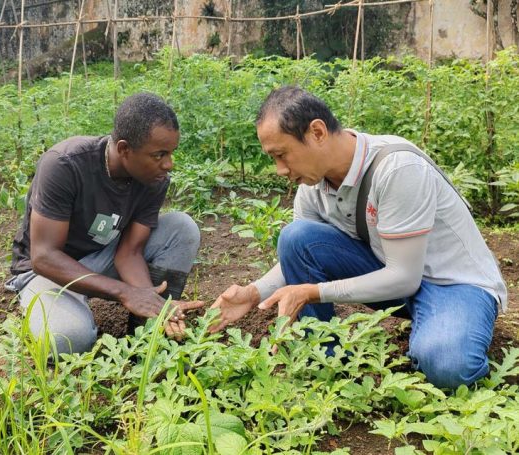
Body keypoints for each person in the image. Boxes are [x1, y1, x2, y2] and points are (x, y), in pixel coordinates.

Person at [211, 86, 507, 388]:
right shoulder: (312, 187)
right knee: (296, 236)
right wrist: (254, 293)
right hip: (391, 276)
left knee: (447, 366)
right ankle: (323, 360)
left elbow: (405, 278)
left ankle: (451, 326)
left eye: (281, 155)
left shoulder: (396, 169)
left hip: (453, 284)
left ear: (317, 132)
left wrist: (315, 292)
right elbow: (299, 255)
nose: (279, 170)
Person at [6, 92, 203, 355]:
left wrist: (152, 301)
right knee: (67, 339)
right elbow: (44, 257)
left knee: (182, 227)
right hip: (48, 272)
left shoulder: (153, 180)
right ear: (124, 149)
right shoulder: (65, 165)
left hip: (101, 257)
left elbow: (130, 252)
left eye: (171, 153)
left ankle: (147, 331)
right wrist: (124, 292)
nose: (169, 164)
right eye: (159, 155)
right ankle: (46, 308)